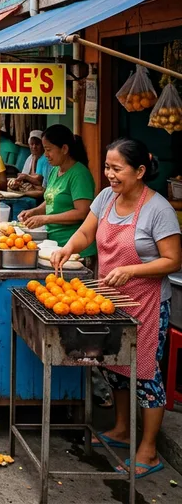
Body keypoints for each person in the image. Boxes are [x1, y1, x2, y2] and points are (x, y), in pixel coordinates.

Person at [52, 139, 181, 477]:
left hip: (148, 303)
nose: (109, 174)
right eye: (107, 167)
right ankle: (123, 429)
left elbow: (173, 260)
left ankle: (149, 450)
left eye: (116, 168)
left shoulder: (159, 210)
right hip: (111, 301)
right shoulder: (106, 197)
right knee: (116, 369)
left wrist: (132, 270)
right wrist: (68, 248)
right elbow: (85, 231)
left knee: (147, 377)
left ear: (139, 171)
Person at [20, 124, 96, 256]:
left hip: (76, 250)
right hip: (54, 245)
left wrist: (45, 219)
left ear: (64, 149)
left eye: (48, 149)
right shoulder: (55, 170)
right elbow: (50, 200)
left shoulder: (79, 174)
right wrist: (34, 212)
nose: (46, 155)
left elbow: (81, 213)